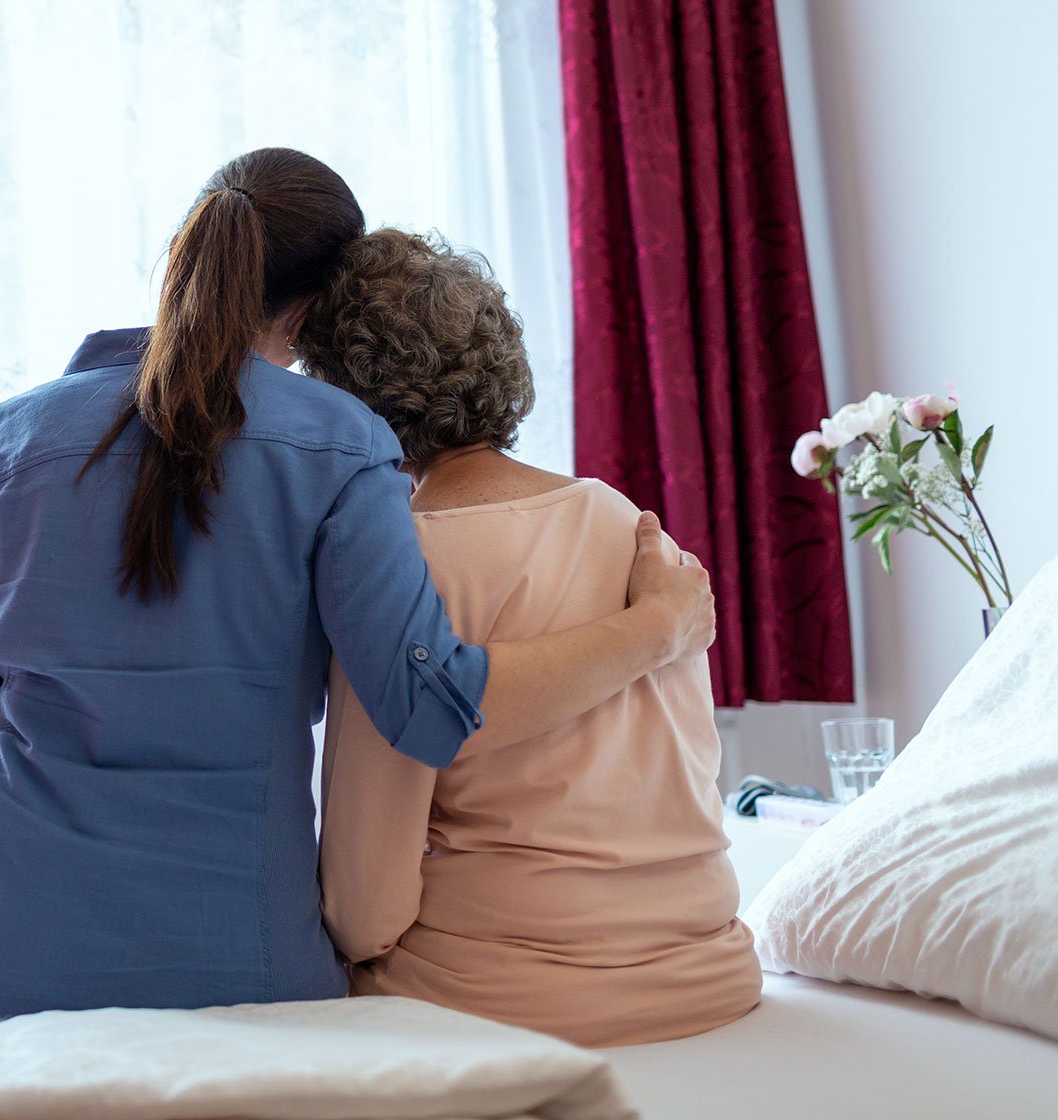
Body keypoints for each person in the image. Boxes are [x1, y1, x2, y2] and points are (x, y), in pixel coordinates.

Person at [0, 150, 715, 1022]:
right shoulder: (347, 447)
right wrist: (656, 626)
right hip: (237, 977)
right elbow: (430, 707)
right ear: (314, 315)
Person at [300, 229, 761, 1047]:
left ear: (345, 399)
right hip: (710, 973)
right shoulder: (632, 524)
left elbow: (365, 910)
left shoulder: (395, 568)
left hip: (507, 997)